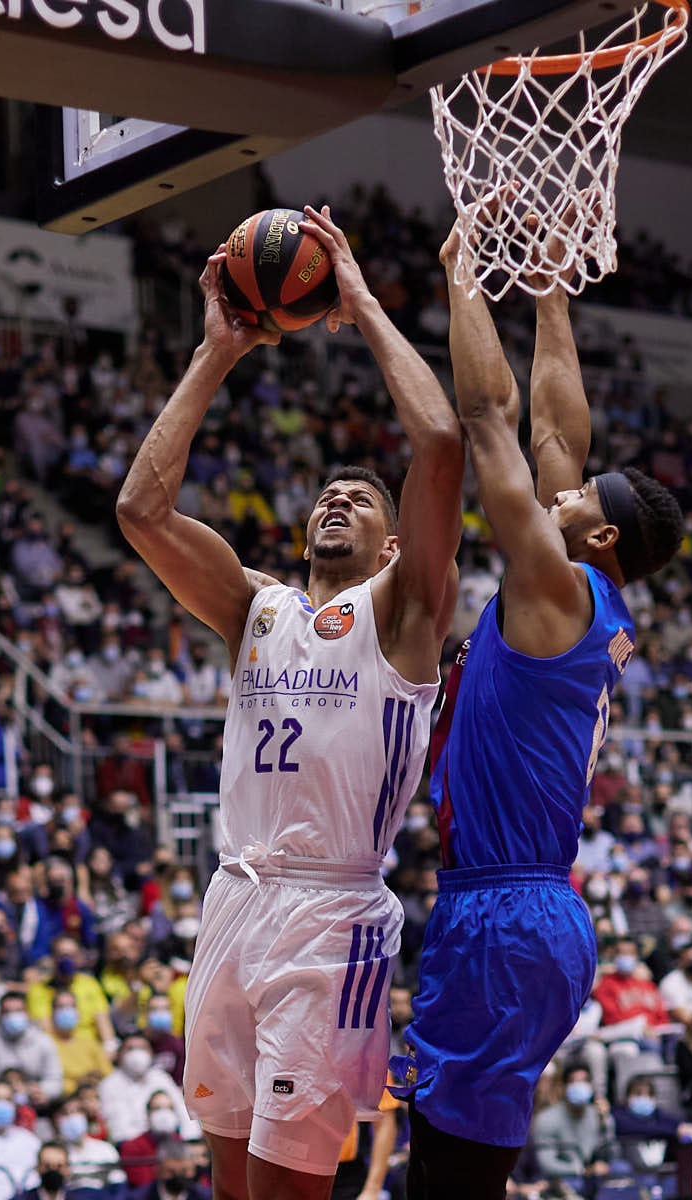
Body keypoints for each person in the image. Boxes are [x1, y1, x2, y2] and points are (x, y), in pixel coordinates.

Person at [115, 204, 463, 1200]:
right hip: (235, 899)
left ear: (395, 550)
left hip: (331, 915)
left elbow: (436, 442)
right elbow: (140, 510)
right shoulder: (255, 607)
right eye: (327, 493)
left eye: (364, 498)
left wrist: (354, 297)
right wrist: (215, 354)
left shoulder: (402, 615)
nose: (338, 497)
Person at [391, 209, 685, 1200]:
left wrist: (463, 275)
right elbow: (555, 427)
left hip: (503, 912)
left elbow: (486, 424)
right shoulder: (578, 589)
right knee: (448, 1162)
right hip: (524, 908)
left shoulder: (554, 588)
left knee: (445, 1177)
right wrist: (551, 290)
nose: (564, 486)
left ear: (598, 538)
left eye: (581, 497)